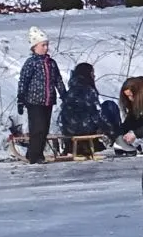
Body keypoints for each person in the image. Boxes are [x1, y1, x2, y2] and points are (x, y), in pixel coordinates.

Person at [17, 28, 62, 165]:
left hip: (48, 100)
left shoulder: (51, 63)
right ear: (34, 47)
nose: (46, 48)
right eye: (43, 45)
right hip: (34, 101)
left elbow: (58, 80)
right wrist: (21, 98)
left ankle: (35, 152)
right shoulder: (31, 63)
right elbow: (23, 80)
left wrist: (63, 93)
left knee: (44, 129)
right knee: (38, 128)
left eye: (47, 45)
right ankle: (35, 156)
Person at [57, 62, 110, 141]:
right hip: (83, 127)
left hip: (67, 127)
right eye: (92, 73)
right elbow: (96, 112)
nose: (94, 76)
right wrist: (107, 127)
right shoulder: (88, 90)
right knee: (109, 106)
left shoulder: (72, 90)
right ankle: (118, 140)